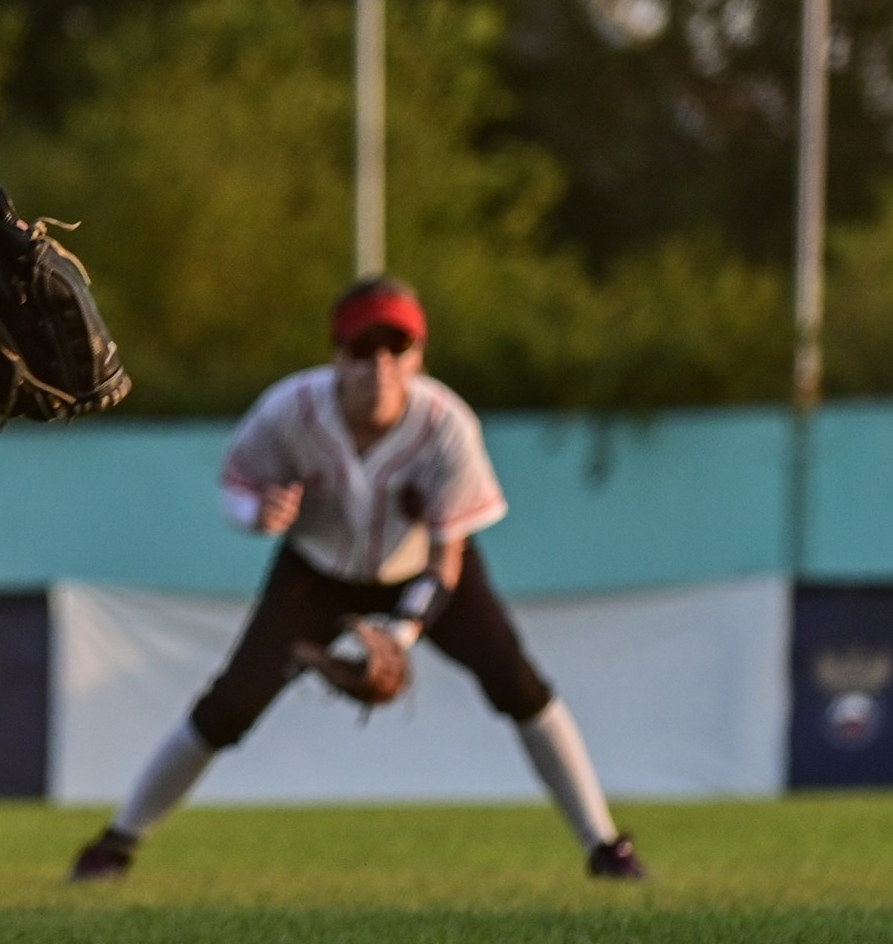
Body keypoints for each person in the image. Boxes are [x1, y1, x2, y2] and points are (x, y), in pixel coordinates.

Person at [69, 276, 647, 882]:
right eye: (362, 349)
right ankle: (115, 843)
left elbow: (447, 557)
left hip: (419, 572)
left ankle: (605, 846)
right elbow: (236, 485)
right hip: (318, 571)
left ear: (419, 356)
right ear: (336, 354)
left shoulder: (446, 424)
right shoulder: (290, 410)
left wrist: (401, 634)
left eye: (396, 348)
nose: (380, 365)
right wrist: (256, 514)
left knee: (518, 683)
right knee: (230, 705)